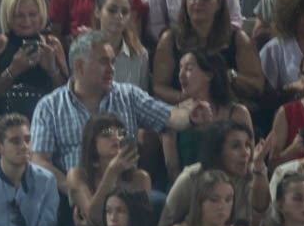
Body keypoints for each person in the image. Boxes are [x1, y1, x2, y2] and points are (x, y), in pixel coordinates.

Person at [31, 30, 208, 178]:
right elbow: (39, 161)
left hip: (124, 193)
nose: (112, 69)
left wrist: (190, 116)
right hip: (72, 197)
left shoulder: (128, 95)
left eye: (112, 62)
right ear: (79, 66)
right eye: (104, 62)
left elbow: (170, 116)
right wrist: (70, 188)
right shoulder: (49, 107)